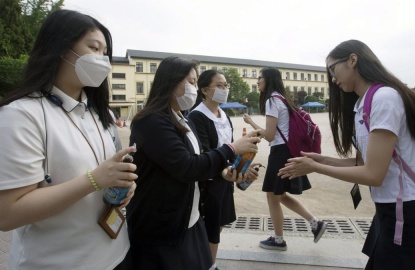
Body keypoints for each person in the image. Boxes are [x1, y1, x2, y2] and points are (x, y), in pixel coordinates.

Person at [279, 40, 415, 269]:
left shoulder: (384, 98)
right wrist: (321, 159)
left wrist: (315, 168)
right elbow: (363, 162)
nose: (332, 78)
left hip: (411, 213)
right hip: (390, 210)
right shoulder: (363, 103)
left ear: (352, 59)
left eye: (332, 69)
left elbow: (374, 174)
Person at [0, 10, 137, 270]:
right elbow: (7, 214)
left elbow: (111, 172)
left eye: (104, 52)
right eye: (93, 48)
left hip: (116, 253)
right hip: (59, 262)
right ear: (61, 49)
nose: (102, 60)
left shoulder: (102, 114)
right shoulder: (21, 115)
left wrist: (124, 187)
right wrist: (94, 180)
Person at [125, 56, 260, 269]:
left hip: (190, 217)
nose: (193, 88)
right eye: (189, 82)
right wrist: (233, 148)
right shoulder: (151, 121)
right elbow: (186, 167)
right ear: (169, 82)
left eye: (195, 82)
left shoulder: (183, 119)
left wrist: (223, 173)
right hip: (161, 227)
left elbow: (199, 160)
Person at [242, 67, 326, 251]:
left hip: (280, 152)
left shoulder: (273, 100)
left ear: (269, 80)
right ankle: (315, 223)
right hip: (288, 151)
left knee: (273, 195)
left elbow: (270, 135)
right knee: (279, 194)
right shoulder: (283, 98)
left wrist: (251, 123)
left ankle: (278, 240)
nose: (257, 81)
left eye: (260, 78)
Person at [188, 69, 260, 270]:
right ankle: (208, 265)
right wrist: (226, 169)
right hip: (208, 182)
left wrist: (243, 166)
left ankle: (210, 262)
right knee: (207, 226)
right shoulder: (197, 117)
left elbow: (231, 147)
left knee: (218, 223)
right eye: (219, 86)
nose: (224, 89)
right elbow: (204, 152)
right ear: (204, 90)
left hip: (225, 179)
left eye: (225, 86)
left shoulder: (224, 116)